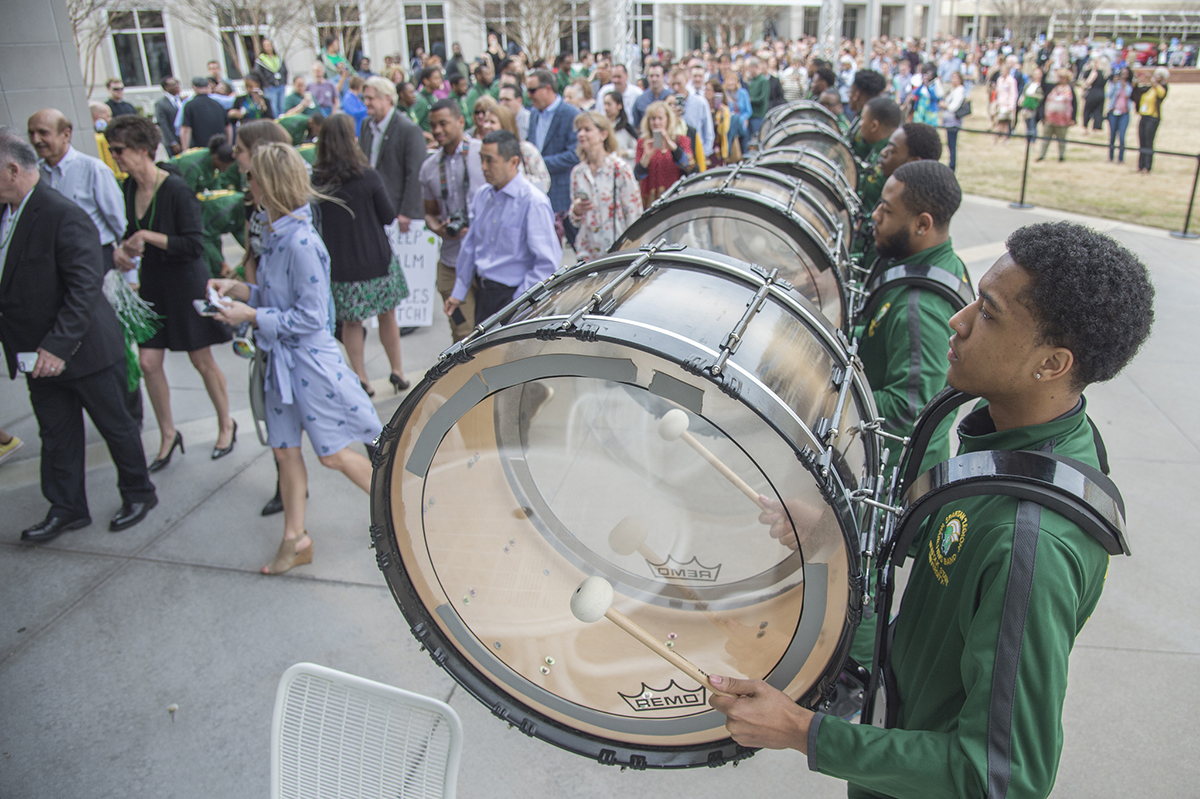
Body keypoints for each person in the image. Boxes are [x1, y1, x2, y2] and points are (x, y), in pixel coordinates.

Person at [713, 220, 1154, 799]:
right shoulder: (1020, 438)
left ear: (1052, 364)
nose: (959, 320)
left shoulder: (1033, 545)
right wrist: (835, 525)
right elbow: (959, 529)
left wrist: (803, 731)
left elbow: (1002, 776)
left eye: (989, 315)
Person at [208, 143, 383, 575]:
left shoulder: (301, 242)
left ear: (268, 184)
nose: (246, 184)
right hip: (280, 364)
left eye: (251, 177)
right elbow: (278, 300)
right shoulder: (275, 234)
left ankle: (401, 511)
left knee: (333, 453)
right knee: (285, 451)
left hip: (306, 364)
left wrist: (251, 313)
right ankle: (296, 538)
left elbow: (311, 318)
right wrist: (240, 292)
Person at [0, 127, 157, 541]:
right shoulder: (6, 213)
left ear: (12, 170)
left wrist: (57, 345)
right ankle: (67, 508)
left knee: (116, 426)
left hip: (82, 350)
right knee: (56, 435)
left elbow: (84, 287)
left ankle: (139, 494)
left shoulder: (61, 214)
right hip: (35, 356)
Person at [106, 115, 236, 470]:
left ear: (142, 149)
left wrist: (147, 238)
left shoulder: (176, 188)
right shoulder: (129, 187)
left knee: (201, 360)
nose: (115, 156)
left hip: (185, 281)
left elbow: (194, 244)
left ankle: (226, 422)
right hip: (153, 283)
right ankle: (167, 433)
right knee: (149, 361)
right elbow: (132, 232)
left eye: (119, 150)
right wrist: (124, 250)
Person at [313, 113, 410, 396]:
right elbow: (389, 216)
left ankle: (361, 378)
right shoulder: (368, 175)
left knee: (352, 323)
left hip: (342, 265)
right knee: (387, 316)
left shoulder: (317, 181)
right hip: (377, 259)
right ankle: (397, 371)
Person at [444, 130, 561, 326]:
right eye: (481, 160)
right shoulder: (482, 196)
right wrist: (459, 291)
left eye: (490, 161)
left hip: (515, 297)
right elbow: (470, 245)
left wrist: (517, 304)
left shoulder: (533, 202)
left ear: (513, 162)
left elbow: (546, 264)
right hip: (484, 294)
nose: (483, 168)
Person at [421, 99, 487, 342]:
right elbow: (428, 211)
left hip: (488, 262)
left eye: (443, 124)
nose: (437, 130)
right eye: (433, 125)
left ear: (461, 121)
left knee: (495, 335)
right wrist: (438, 228)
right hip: (451, 262)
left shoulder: (484, 154)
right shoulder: (429, 167)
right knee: (463, 337)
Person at [567, 111, 642, 261]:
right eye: (579, 130)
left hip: (616, 253)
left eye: (587, 129)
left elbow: (634, 213)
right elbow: (574, 220)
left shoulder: (619, 169)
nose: (581, 134)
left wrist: (633, 250)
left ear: (603, 134)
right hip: (586, 254)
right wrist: (576, 210)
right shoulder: (578, 172)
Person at [359, 77, 427, 235]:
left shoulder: (408, 129)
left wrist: (407, 211)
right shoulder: (365, 126)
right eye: (364, 98)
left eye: (370, 98)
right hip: (371, 209)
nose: (366, 103)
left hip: (397, 211)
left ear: (387, 98)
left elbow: (416, 172)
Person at [526, 69, 581, 224]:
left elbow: (574, 154)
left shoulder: (571, 114)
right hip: (538, 193)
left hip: (561, 195)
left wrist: (539, 163)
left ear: (548, 89)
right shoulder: (534, 114)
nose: (529, 96)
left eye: (532, 90)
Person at [474, 98, 551, 194]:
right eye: (486, 121)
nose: (486, 126)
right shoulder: (483, 150)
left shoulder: (525, 149)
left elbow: (545, 182)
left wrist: (514, 179)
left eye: (492, 122)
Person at [634, 100, 692, 206]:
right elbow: (638, 176)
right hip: (650, 200)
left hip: (675, 197)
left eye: (660, 118)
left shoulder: (681, 140)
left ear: (668, 120)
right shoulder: (643, 143)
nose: (656, 122)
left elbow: (689, 165)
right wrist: (646, 157)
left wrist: (671, 146)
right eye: (653, 118)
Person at [668, 68, 714, 166]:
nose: (676, 88)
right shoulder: (667, 103)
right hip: (675, 154)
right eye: (673, 84)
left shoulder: (700, 103)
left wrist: (704, 154)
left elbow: (708, 131)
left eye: (679, 83)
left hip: (696, 150)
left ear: (686, 81)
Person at [1133, 67, 1169, 174]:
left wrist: (1153, 81)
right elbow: (1137, 93)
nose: (1156, 77)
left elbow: (1161, 94)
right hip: (1143, 116)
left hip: (1153, 118)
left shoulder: (1163, 87)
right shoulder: (1148, 88)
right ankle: (1140, 165)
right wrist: (1137, 80)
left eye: (1159, 76)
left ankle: (1147, 166)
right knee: (1142, 141)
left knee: (1149, 142)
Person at [180, 77, 231, 151]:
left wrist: (185, 150)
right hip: (220, 148)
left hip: (199, 149)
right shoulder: (218, 104)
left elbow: (186, 130)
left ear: (193, 87)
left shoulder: (189, 105)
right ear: (208, 87)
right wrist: (228, 145)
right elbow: (228, 127)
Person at [1037, 68, 1076, 162]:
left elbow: (1074, 104)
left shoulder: (1070, 89)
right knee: (1046, 138)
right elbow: (1043, 85)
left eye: (1063, 77)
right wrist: (1046, 70)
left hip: (1063, 119)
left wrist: (1073, 118)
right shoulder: (1052, 87)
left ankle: (1061, 156)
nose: (1061, 79)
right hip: (1050, 118)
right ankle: (1042, 155)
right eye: (1059, 77)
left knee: (1061, 139)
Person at [604, 88, 640, 170]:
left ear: (619, 105)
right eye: (605, 104)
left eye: (609, 104)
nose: (606, 108)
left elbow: (637, 150)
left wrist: (624, 152)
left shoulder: (626, 128)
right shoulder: (602, 128)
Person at [253, 38, 289, 119]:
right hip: (270, 87)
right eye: (266, 46)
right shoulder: (261, 60)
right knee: (273, 108)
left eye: (269, 45)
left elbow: (285, 71)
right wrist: (266, 84)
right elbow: (259, 74)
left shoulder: (278, 58)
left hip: (280, 86)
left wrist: (284, 82)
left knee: (282, 107)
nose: (268, 47)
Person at [631, 62, 672, 130]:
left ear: (663, 76)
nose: (654, 79)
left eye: (657, 76)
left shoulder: (671, 97)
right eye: (651, 76)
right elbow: (636, 126)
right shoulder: (640, 100)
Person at [1106, 65, 1134, 164]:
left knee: (1121, 136)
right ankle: (1110, 157)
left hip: (1124, 114)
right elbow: (1108, 95)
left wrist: (1124, 86)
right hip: (1113, 113)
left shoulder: (1130, 85)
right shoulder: (1114, 84)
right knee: (1112, 135)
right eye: (1122, 74)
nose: (1123, 76)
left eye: (1125, 74)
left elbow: (1130, 95)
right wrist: (1114, 84)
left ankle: (1121, 158)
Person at [940, 72, 966, 171]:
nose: (952, 80)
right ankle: (951, 162)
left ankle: (952, 165)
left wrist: (945, 105)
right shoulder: (953, 90)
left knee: (952, 144)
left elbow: (953, 107)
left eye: (955, 78)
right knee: (949, 143)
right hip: (948, 120)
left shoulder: (959, 91)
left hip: (953, 121)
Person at [155, 77, 185, 156]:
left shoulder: (183, 101)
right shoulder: (161, 104)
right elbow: (163, 124)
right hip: (173, 141)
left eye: (178, 84)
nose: (177, 86)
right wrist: (172, 142)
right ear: (166, 88)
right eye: (173, 85)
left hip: (185, 139)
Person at [1080, 57, 1108, 136]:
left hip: (1093, 92)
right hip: (1101, 93)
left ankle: (1085, 128)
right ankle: (1095, 129)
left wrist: (1085, 86)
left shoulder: (1094, 72)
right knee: (1098, 111)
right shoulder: (1104, 73)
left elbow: (1088, 82)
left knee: (1087, 110)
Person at [992, 62, 1018, 142]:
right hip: (1000, 103)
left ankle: (1002, 138)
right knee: (1000, 121)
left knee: (1004, 122)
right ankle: (1000, 138)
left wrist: (1011, 105)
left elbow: (1013, 93)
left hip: (1007, 104)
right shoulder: (999, 80)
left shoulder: (1011, 80)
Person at [413, 66, 444, 132]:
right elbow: (414, 125)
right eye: (436, 78)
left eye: (440, 78)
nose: (439, 81)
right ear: (426, 81)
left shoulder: (432, 96)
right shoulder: (421, 101)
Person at [745, 57, 770, 139]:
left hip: (758, 115)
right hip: (750, 115)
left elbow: (763, 99)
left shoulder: (763, 81)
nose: (748, 71)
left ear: (754, 67)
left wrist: (750, 100)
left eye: (749, 68)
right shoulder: (751, 81)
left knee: (757, 138)